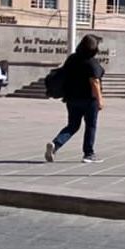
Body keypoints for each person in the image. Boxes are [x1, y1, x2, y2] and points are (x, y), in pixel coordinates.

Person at [44, 34, 105, 164]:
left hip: (72, 99)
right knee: (90, 126)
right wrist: (100, 100)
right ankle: (88, 154)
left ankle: (55, 145)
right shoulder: (92, 63)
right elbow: (95, 82)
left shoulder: (72, 59)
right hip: (89, 100)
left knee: (73, 125)